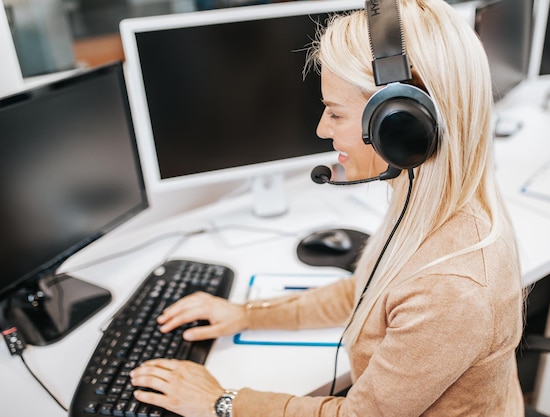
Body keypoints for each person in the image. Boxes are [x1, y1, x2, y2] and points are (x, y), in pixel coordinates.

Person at [129, 0, 525, 415]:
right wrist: (247, 314)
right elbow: (369, 293)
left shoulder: (453, 287)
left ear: (401, 126)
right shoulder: (430, 202)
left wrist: (221, 403)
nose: (322, 129)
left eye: (335, 113)